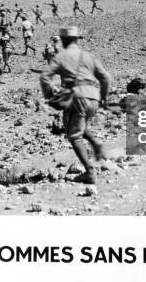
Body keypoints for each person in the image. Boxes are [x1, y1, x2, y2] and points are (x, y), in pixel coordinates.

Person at [40, 27, 110, 184]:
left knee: (74, 135)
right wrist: (104, 98)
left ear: (63, 40)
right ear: (77, 39)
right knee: (80, 124)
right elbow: (105, 77)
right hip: (94, 96)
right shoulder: (89, 56)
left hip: (77, 97)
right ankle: (96, 144)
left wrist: (50, 94)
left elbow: (45, 76)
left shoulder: (61, 56)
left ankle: (90, 172)